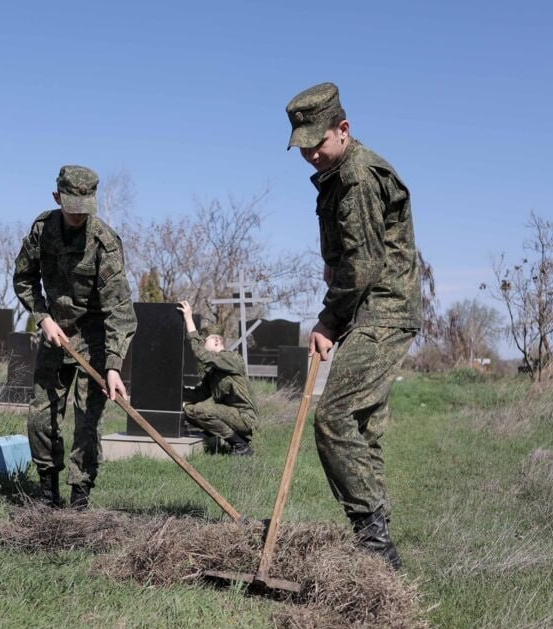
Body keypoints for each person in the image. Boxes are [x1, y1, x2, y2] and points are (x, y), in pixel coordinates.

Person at [285, 82, 422, 569]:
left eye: (317, 144)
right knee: (362, 427)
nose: (311, 155)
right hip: (371, 305)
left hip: (382, 308)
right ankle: (380, 549)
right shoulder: (338, 173)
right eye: (302, 148)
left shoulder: (359, 177)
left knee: (335, 418)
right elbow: (351, 255)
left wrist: (328, 320)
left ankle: (373, 543)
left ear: (343, 129)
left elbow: (362, 268)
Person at [13, 165, 137, 510]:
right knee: (41, 414)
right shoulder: (42, 230)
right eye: (72, 207)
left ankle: (80, 498)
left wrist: (113, 366)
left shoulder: (104, 242)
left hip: (94, 336)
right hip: (56, 333)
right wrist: (43, 318)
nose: (79, 215)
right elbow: (23, 279)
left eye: (86, 208)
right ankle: (48, 494)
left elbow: (120, 310)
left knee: (87, 420)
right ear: (57, 198)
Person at [177, 300, 258, 456]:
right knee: (189, 410)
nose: (202, 344)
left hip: (245, 417)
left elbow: (201, 355)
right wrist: (175, 391)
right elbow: (200, 394)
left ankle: (241, 446)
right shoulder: (215, 369)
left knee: (201, 410)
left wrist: (188, 319)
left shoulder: (231, 359)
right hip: (231, 415)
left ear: (216, 340)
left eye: (204, 340)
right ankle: (233, 437)